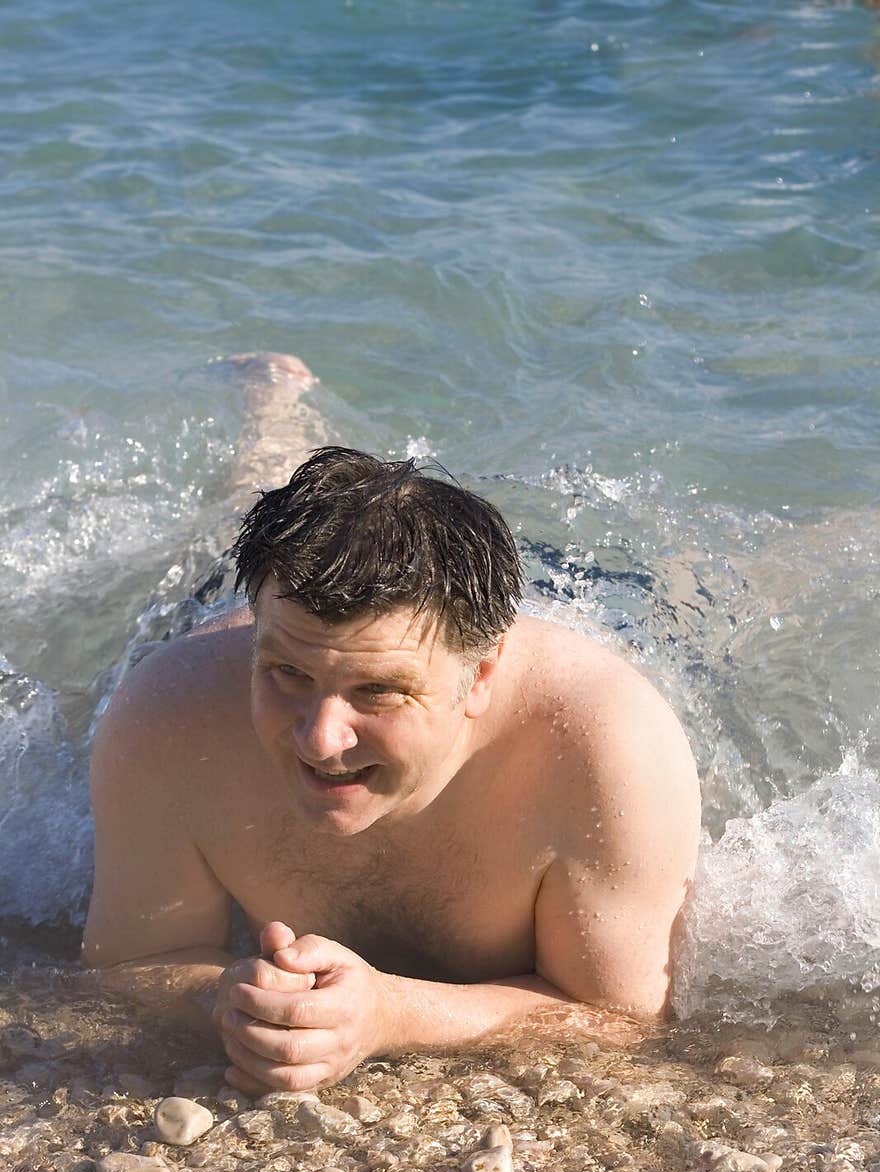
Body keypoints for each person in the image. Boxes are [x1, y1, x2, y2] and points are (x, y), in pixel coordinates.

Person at [81, 355, 701, 1096]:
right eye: (287, 676)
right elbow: (125, 965)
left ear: (481, 678)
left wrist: (390, 1015)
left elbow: (622, 1017)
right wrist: (229, 1002)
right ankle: (272, 409)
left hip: (582, 604)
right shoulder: (168, 712)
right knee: (243, 515)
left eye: (377, 692)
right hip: (249, 611)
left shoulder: (605, 742)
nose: (320, 738)